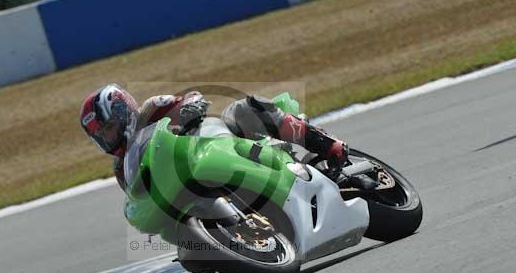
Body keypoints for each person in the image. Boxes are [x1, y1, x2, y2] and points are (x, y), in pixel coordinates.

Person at [80, 84, 348, 188]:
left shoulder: (152, 109)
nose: (107, 138)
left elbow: (192, 98)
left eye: (108, 128)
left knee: (244, 109)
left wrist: (189, 109)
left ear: (122, 113)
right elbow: (139, 196)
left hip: (216, 144)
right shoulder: (121, 168)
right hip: (192, 184)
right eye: (101, 136)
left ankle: (329, 146)